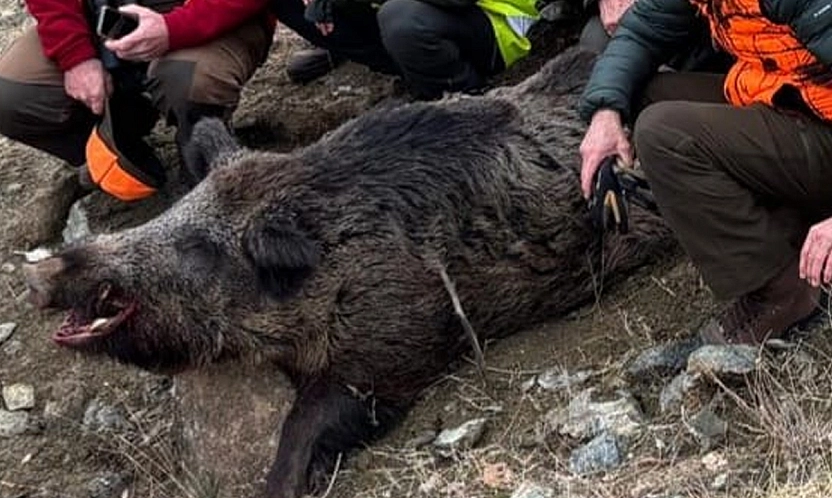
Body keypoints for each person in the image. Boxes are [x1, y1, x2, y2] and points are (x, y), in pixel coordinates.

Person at [578, 0, 832, 345]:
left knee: (663, 133)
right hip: (788, 97)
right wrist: (605, 111)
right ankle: (788, 231)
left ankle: (785, 291)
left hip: (820, 126)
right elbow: (641, 32)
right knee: (644, 97)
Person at [0, 0, 273, 194]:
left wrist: (175, 28)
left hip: (205, 12)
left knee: (188, 81)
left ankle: (204, 158)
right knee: (9, 95)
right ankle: (117, 147)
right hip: (101, 13)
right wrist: (74, 56)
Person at [274, 0, 540, 100]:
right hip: (432, 21)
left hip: (494, 25)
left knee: (402, 20)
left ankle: (465, 95)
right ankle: (411, 75)